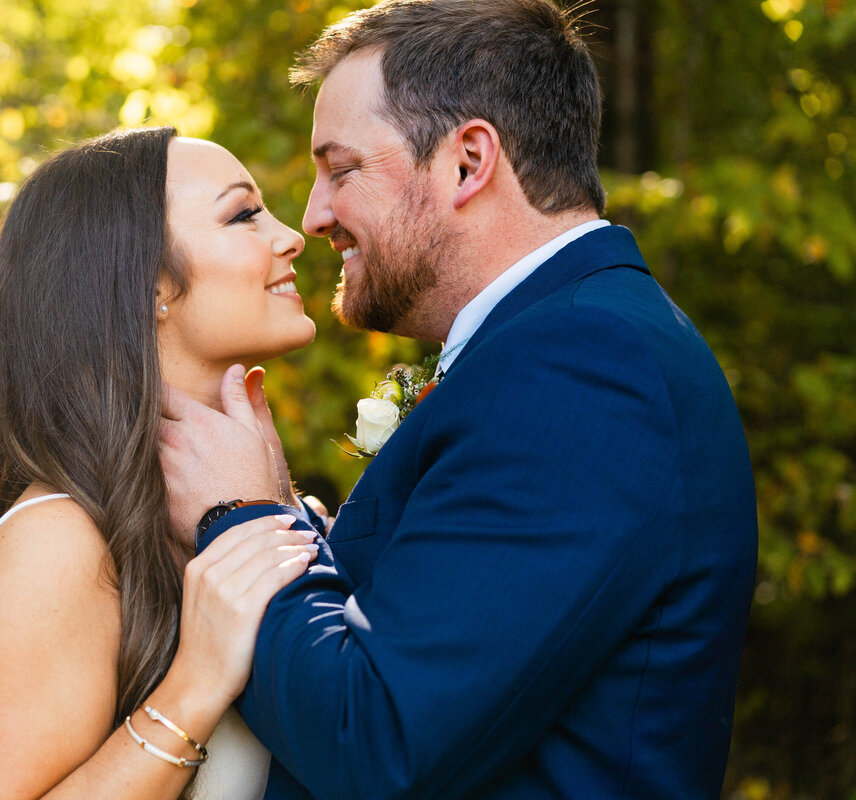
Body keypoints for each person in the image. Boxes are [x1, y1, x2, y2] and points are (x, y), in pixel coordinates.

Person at [158, 0, 759, 797]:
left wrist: (236, 517)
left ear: (468, 162)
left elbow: (376, 742)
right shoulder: (560, 347)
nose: (314, 216)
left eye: (341, 169)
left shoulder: (582, 371)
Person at [0, 126, 321, 799]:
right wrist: (198, 679)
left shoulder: (240, 506)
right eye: (243, 214)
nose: (292, 236)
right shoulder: (56, 544)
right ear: (148, 283)